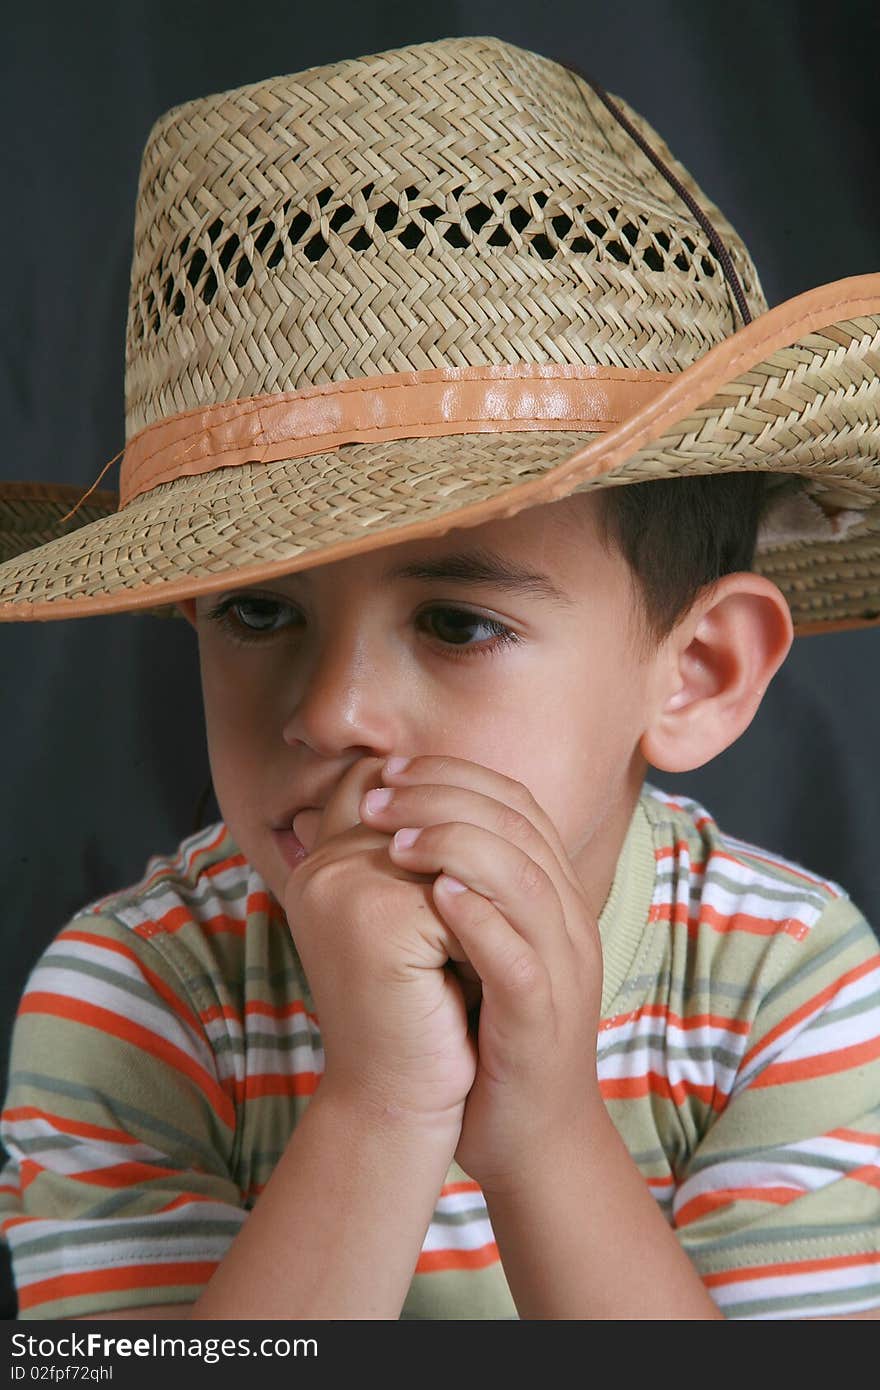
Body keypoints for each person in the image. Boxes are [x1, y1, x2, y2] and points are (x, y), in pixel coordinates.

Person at [0, 34, 878, 1322]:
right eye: (256, 609)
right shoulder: (138, 994)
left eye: (459, 624)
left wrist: (545, 1141)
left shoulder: (786, 983)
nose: (329, 710)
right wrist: (383, 1108)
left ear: (695, 673)